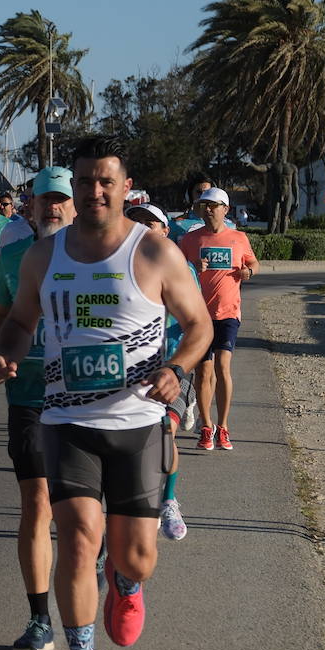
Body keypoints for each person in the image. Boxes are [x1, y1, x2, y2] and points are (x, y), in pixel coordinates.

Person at [0, 135, 211, 650]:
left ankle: (127, 582)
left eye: (105, 181)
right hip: (66, 420)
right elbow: (19, 323)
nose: (94, 191)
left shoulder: (156, 252)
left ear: (125, 186)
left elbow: (200, 326)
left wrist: (178, 370)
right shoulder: (43, 256)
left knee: (136, 557)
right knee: (77, 538)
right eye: (84, 181)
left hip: (138, 423)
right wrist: (3, 353)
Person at [0, 167, 76, 650]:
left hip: (87, 401)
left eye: (61, 199)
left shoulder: (96, 257)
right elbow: (3, 312)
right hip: (30, 398)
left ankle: (96, 551)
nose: (53, 208)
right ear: (31, 207)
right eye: (45, 200)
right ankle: (39, 617)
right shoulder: (14, 257)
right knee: (37, 505)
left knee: (79, 512)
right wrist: (1, 353)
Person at [125, 203, 200, 541]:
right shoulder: (116, 265)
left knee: (165, 432)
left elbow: (198, 324)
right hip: (130, 371)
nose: (141, 228)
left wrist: (183, 362)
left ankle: (168, 500)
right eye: (135, 221)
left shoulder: (182, 268)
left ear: (166, 231)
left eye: (149, 224)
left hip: (172, 365)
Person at [179, 186, 257, 451]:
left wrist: (249, 272)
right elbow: (176, 272)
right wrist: (191, 267)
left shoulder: (238, 237)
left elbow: (253, 263)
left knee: (223, 366)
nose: (208, 209)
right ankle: (206, 427)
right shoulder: (190, 240)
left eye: (213, 205)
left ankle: (223, 427)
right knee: (203, 371)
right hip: (199, 314)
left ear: (225, 209)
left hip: (228, 312)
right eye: (204, 205)